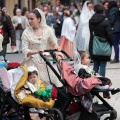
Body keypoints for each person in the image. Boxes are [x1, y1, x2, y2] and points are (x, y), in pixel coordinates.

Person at [22, 8, 63, 88]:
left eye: (32, 19)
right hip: (33, 61)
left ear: (39, 19)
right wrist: (37, 51)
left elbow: (52, 42)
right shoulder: (26, 33)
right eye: (28, 19)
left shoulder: (47, 30)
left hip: (46, 59)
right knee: (36, 83)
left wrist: (56, 47)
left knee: (53, 81)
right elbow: (24, 50)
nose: (29, 21)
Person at [89, 4, 113, 77]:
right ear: (103, 12)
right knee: (103, 65)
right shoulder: (105, 22)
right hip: (104, 45)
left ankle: (92, 80)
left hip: (94, 45)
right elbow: (109, 35)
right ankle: (102, 81)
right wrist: (111, 43)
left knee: (95, 65)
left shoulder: (91, 20)